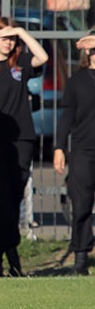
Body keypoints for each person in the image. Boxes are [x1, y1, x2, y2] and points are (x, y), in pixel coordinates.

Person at [0, 17, 49, 276]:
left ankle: (1, 250)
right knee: (1, 196)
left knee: (15, 196)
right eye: (2, 37)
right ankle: (5, 251)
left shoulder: (21, 64)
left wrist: (20, 31)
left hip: (22, 137)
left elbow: (43, 56)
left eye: (11, 38)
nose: (8, 42)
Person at [53, 36, 95, 275]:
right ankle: (80, 256)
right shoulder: (77, 81)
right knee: (81, 205)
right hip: (83, 150)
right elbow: (66, 116)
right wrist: (59, 147)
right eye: (92, 50)